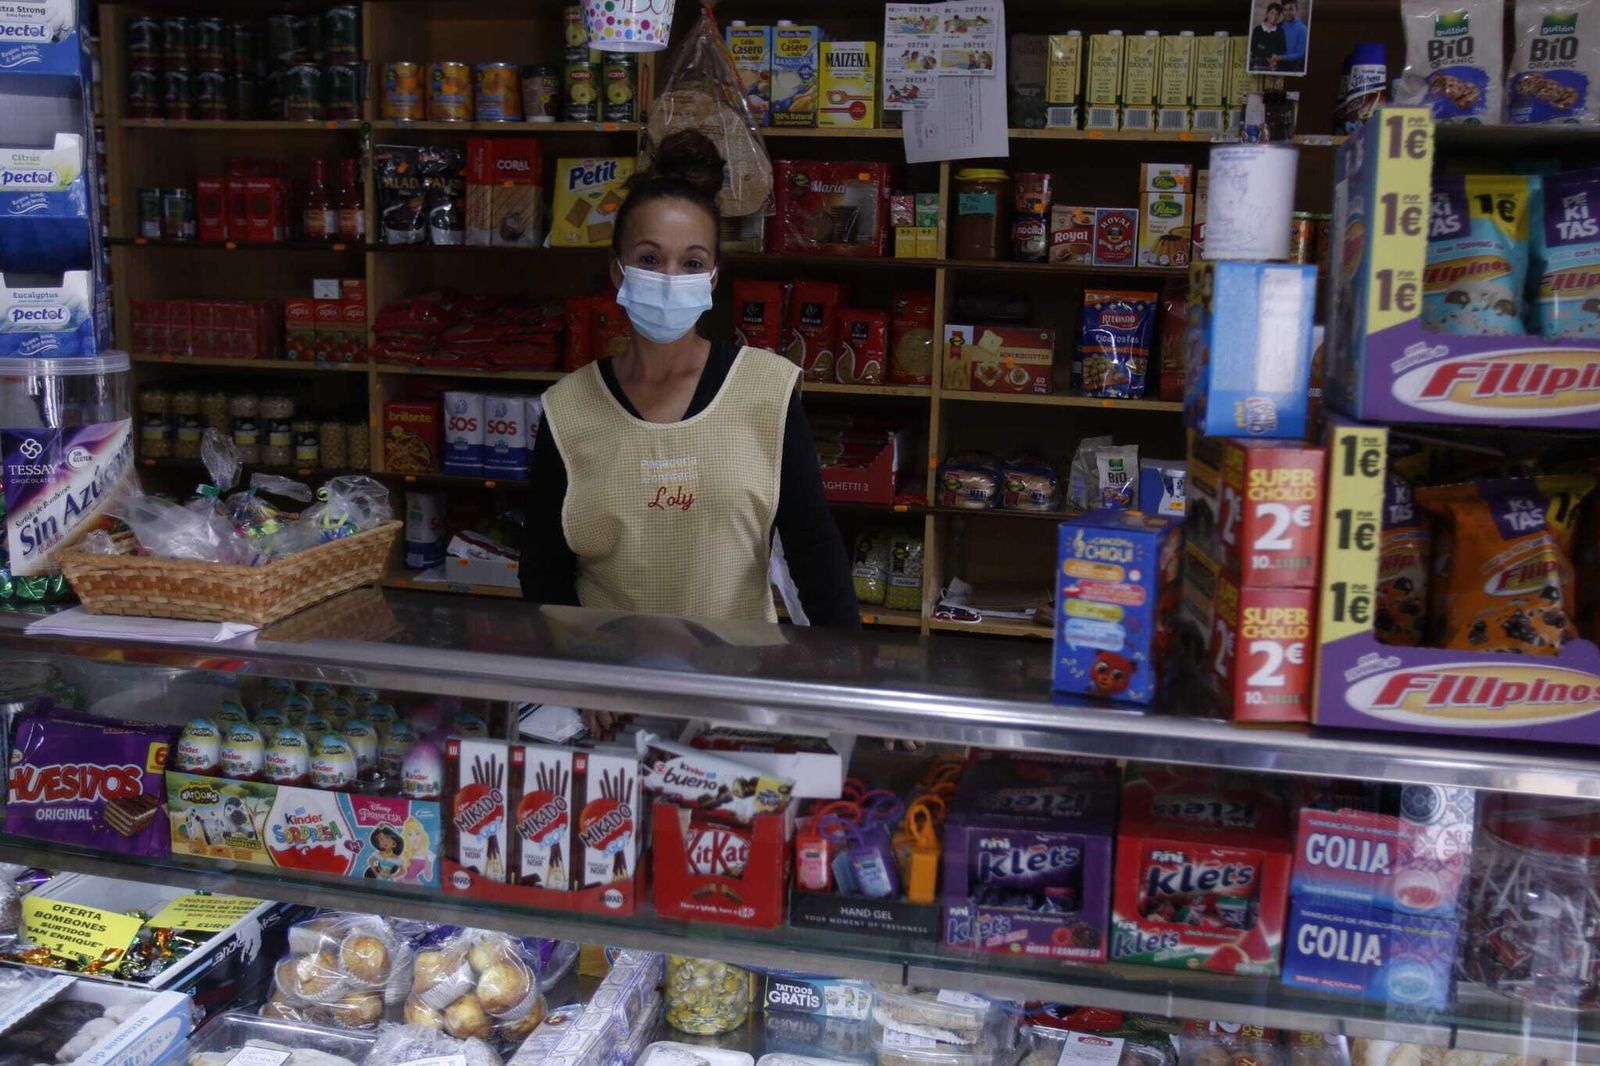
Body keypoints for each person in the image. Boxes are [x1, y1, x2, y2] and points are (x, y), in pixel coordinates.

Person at [522, 129, 858, 628]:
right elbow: (543, 568)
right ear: (618, 272)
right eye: (650, 260)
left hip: (737, 682)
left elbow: (813, 546)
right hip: (616, 686)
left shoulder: (767, 390)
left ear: (713, 278)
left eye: (692, 263)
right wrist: (583, 669)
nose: (670, 277)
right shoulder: (568, 409)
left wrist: (845, 672)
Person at [1250, 3, 1286, 71]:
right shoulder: (1257, 30)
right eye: (1272, 13)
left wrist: (1263, 47)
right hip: (1258, 62)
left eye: (1277, 14)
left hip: (1274, 63)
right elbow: (1254, 48)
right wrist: (1268, 57)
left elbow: (1282, 50)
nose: (1274, 16)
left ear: (1279, 17)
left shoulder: (1280, 31)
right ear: (1267, 14)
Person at [1279, 0, 1308, 73]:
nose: (1288, 13)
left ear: (1296, 10)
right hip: (1276, 65)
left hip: (1292, 68)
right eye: (1285, 10)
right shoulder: (1279, 26)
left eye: (1291, 9)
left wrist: (1281, 58)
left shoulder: (1303, 29)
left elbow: (1299, 54)